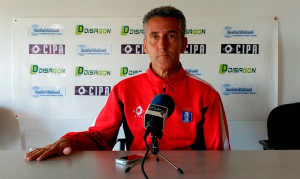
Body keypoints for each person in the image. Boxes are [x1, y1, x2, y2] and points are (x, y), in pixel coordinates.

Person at [25, 6, 230, 161]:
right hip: (138, 172)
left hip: (190, 175)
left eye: (171, 36)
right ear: (145, 45)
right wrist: (68, 140)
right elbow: (100, 137)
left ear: (184, 44)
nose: (162, 45)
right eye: (154, 36)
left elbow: (220, 154)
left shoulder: (206, 94)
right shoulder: (124, 90)